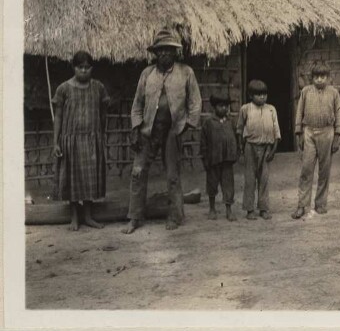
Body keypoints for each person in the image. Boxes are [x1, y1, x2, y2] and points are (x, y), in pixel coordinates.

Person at [122, 28, 202, 234]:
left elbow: (195, 102)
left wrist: (187, 126)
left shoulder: (186, 72)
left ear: (175, 52)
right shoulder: (147, 74)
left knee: (173, 175)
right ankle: (134, 217)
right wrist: (135, 128)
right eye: (161, 50)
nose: (165, 54)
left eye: (169, 50)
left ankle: (175, 216)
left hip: (172, 131)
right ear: (155, 53)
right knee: (138, 173)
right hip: (148, 130)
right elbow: (137, 103)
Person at [52, 51, 110, 231]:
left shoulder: (98, 87)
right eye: (80, 67)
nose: (84, 71)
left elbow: (103, 113)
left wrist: (100, 135)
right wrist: (56, 142)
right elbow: (59, 117)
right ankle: (74, 218)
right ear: (74, 68)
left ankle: (88, 216)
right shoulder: (64, 89)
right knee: (71, 178)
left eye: (87, 67)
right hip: (71, 140)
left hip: (92, 139)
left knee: (90, 178)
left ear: (91, 68)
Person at [291, 61, 340, 219]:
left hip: (327, 132)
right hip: (309, 132)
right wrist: (299, 133)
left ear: (328, 78)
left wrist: (337, 136)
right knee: (306, 170)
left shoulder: (334, 93)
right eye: (316, 77)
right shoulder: (306, 92)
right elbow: (299, 111)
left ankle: (320, 203)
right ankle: (302, 205)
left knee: (324, 171)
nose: (320, 80)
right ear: (312, 78)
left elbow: (339, 114)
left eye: (323, 77)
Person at [236, 80, 281, 220]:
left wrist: (273, 150)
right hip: (250, 146)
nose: (262, 97)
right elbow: (239, 129)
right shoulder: (245, 109)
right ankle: (249, 209)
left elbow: (276, 132)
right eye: (258, 94)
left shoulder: (271, 109)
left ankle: (263, 208)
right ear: (250, 95)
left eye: (264, 94)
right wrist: (241, 148)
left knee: (264, 179)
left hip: (266, 148)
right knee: (250, 179)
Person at [200, 92, 238, 222]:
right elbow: (203, 142)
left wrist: (235, 153)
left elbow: (236, 138)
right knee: (212, 184)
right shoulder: (208, 123)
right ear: (214, 107)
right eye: (221, 106)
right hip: (213, 159)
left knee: (228, 185)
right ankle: (212, 208)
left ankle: (229, 210)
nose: (224, 109)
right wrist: (205, 159)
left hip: (227, 160)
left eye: (226, 106)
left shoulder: (230, 122)